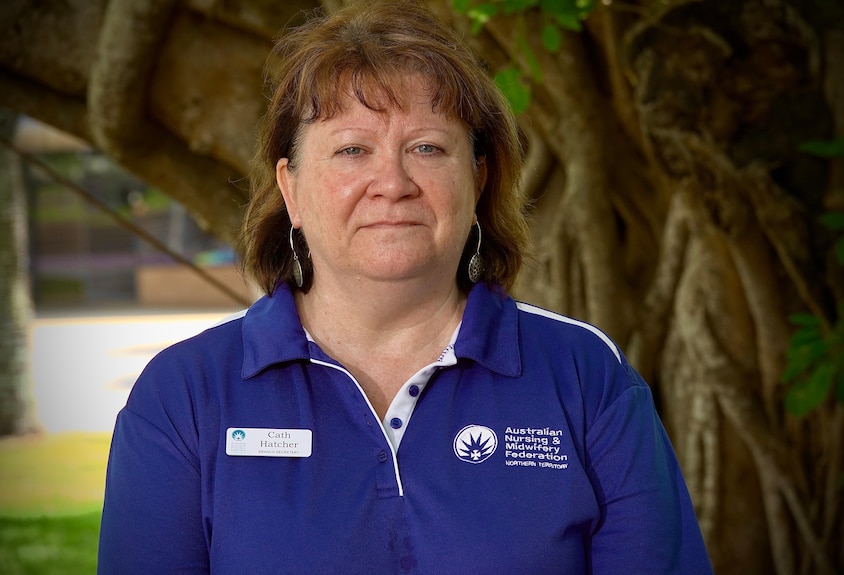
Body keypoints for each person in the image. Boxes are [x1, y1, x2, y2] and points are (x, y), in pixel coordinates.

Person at [98, 1, 713, 573]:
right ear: (291, 190)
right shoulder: (184, 397)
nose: (392, 183)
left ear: (476, 181)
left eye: (426, 147)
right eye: (351, 150)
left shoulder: (585, 376)